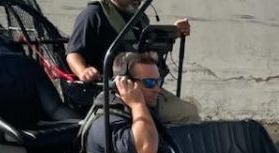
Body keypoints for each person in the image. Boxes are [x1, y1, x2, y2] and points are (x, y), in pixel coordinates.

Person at [66, 0, 199, 123]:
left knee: (189, 112)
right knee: (187, 114)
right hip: (115, 90)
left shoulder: (140, 18)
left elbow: (147, 53)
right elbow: (73, 54)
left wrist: (172, 34)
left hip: (145, 86)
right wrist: (83, 70)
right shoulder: (93, 14)